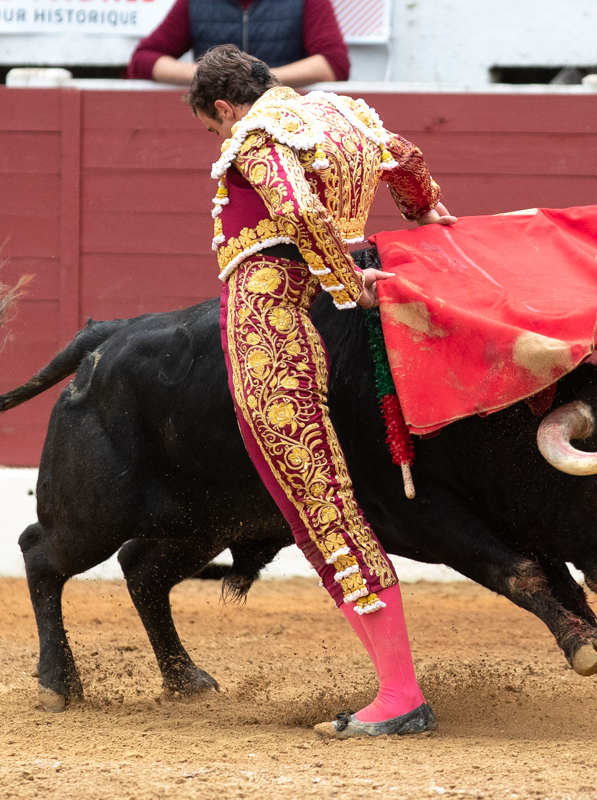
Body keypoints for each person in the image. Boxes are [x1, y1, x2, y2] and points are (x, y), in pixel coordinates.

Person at [187, 44, 455, 738]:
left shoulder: (256, 135)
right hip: (303, 320)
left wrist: (348, 281)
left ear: (223, 107)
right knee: (325, 507)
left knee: (322, 512)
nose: (223, 138)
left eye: (215, 127)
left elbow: (299, 211)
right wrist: (425, 214)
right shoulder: (341, 117)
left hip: (270, 331)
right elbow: (408, 160)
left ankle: (399, 695)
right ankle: (397, 689)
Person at [129, 0, 350, 87]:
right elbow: (143, 60)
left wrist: (259, 77)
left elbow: (333, 64)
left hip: (287, 120)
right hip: (218, 122)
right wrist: (210, 74)